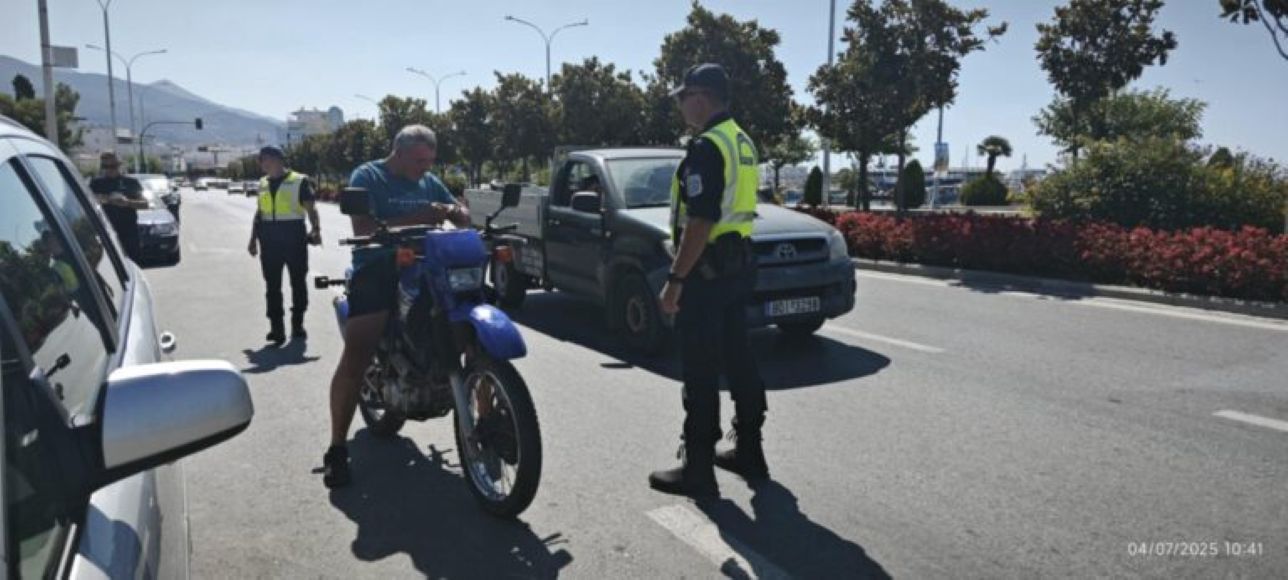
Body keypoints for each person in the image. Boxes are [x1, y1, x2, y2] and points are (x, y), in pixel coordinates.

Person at [321, 125, 470, 488]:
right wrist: (421, 216)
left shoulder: (429, 181)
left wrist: (457, 211)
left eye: (430, 161)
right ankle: (337, 448)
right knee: (359, 349)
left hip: (427, 267)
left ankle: (484, 422)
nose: (425, 167)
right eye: (420, 160)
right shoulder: (368, 176)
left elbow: (458, 210)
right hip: (378, 267)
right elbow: (363, 226)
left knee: (470, 326)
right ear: (398, 153)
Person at [649, 63, 769, 497]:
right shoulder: (741, 140)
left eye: (684, 96)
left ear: (702, 96)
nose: (681, 105)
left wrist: (676, 279)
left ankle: (698, 469)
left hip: (706, 271)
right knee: (740, 359)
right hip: (737, 266)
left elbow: (700, 220)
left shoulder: (706, 147)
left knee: (699, 368)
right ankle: (750, 451)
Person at [246, 146, 321, 345]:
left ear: (276, 159)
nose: (261, 164)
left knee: (297, 283)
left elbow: (311, 209)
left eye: (264, 160)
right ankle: (276, 329)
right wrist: (253, 239)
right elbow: (259, 213)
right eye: (261, 160)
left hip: (294, 240)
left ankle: (298, 324)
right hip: (269, 243)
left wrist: (316, 230)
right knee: (272, 286)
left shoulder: (298, 181)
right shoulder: (262, 183)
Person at [89, 152, 148, 262]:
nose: (109, 170)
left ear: (119, 165)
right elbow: (89, 202)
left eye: (113, 166)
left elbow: (145, 203)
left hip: (129, 234)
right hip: (106, 234)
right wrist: (107, 200)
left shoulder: (131, 182)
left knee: (133, 265)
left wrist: (128, 202)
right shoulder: (96, 184)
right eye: (105, 166)